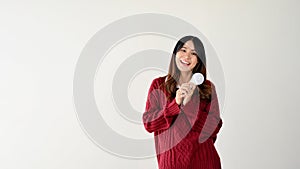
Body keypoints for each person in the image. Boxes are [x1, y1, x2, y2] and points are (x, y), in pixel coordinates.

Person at [142, 35, 223, 169]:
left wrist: (190, 104)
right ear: (175, 53)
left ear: (199, 60)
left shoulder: (208, 88)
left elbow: (214, 128)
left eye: (194, 53)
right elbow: (149, 123)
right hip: (172, 164)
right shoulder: (159, 85)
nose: (187, 56)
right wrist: (176, 104)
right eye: (183, 50)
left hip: (205, 162)